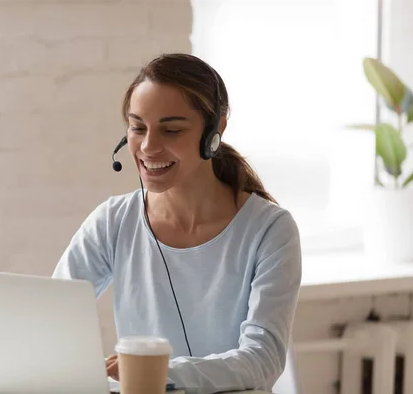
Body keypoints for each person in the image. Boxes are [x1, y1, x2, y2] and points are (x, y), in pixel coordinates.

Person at [51, 53, 302, 394]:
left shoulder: (270, 231)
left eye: (171, 130)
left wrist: (156, 370)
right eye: (137, 127)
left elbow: (263, 359)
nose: (148, 147)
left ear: (216, 131)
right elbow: (51, 317)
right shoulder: (113, 222)